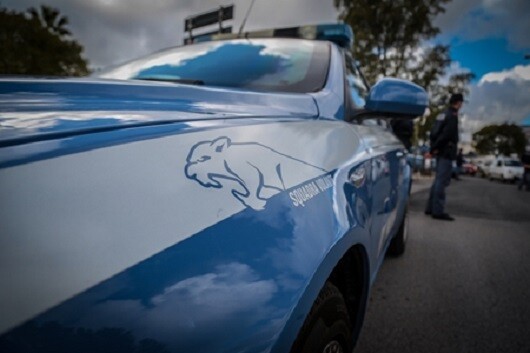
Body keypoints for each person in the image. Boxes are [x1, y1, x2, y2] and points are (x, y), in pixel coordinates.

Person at [425, 93, 463, 221]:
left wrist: (434, 147)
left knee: (437, 181)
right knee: (442, 182)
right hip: (446, 151)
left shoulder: (442, 114)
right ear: (458, 103)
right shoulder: (452, 116)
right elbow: (447, 135)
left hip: (440, 151)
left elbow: (433, 132)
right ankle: (438, 211)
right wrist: (435, 148)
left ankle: (430, 208)